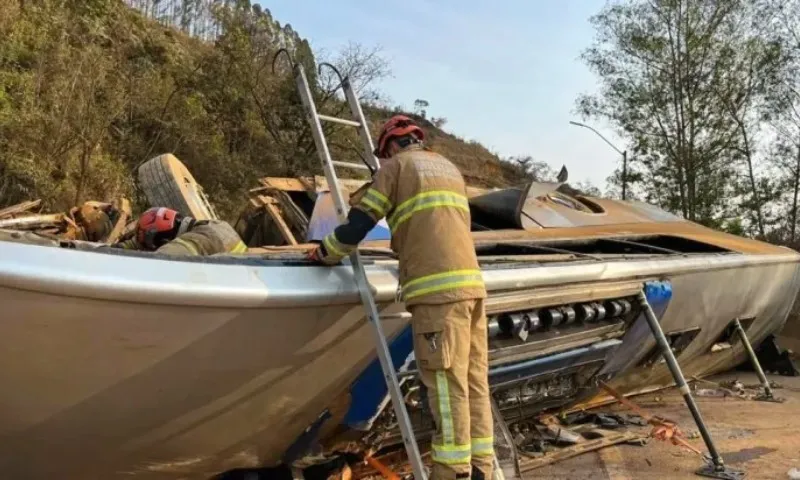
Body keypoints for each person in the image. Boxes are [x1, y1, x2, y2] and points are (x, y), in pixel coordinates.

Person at [308, 115, 493, 480]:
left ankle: (453, 472)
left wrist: (325, 252)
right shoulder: (449, 169)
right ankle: (482, 468)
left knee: (444, 383)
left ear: (390, 147)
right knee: (473, 381)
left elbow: (359, 225)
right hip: (472, 288)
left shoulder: (395, 168)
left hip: (436, 293)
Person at [115, 207, 247, 256]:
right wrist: (122, 247)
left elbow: (154, 265)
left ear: (163, 240)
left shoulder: (189, 244)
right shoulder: (216, 225)